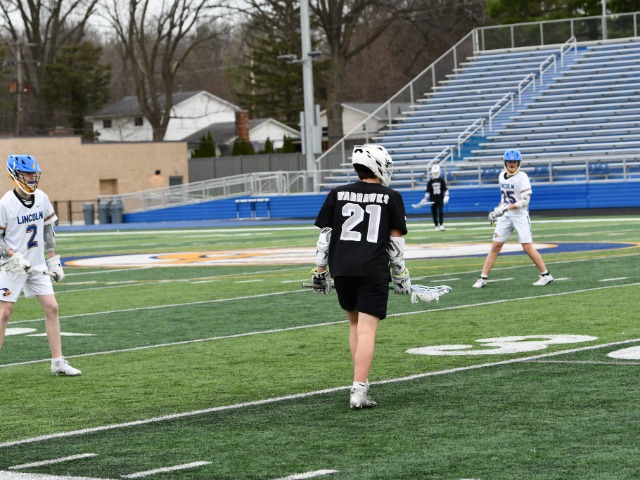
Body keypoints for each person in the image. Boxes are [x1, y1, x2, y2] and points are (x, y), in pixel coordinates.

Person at [312, 144, 411, 409]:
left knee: (355, 325)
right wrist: (400, 273)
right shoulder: (391, 196)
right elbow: (395, 244)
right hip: (371, 268)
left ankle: (360, 382)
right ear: (377, 166)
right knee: (367, 330)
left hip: (342, 267)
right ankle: (358, 390)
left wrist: (320, 271)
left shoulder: (337, 193)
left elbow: (325, 238)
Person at [0, 154, 81, 376]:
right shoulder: (5, 203)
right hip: (11, 265)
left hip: (36, 264)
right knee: (4, 312)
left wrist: (53, 259)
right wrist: (12, 254)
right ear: (14, 174)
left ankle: (58, 362)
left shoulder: (42, 197)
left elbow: (47, 230)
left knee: (52, 307)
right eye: (26, 173)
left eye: (33, 173)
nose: (31, 177)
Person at [472, 149, 553, 288]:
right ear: (505, 162)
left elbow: (525, 201)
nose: (512, 164)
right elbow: (504, 198)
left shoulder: (523, 177)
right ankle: (483, 278)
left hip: (519, 216)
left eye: (514, 161)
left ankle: (545, 275)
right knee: (495, 246)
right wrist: (497, 211)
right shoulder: (501, 176)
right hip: (505, 216)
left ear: (518, 162)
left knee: (527, 247)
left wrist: (506, 208)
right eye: (509, 161)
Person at [414, 164, 449, 230]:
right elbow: (428, 191)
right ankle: (436, 225)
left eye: (436, 172)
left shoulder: (442, 180)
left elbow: (445, 189)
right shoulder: (430, 182)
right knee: (434, 213)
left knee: (440, 211)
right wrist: (425, 199)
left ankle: (441, 224)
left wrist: (446, 196)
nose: (435, 174)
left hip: (440, 199)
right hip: (432, 200)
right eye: (434, 172)